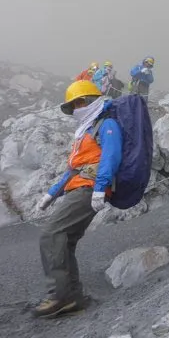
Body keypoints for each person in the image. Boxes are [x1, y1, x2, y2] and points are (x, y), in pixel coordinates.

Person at [32, 80, 121, 318]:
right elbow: (73, 169)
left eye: (78, 103)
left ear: (90, 101)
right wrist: (51, 194)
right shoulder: (86, 129)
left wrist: (101, 188)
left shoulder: (106, 124)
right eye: (72, 106)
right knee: (65, 239)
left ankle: (59, 296)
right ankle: (72, 297)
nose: (75, 109)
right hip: (80, 187)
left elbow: (110, 157)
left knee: (51, 234)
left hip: (90, 188)